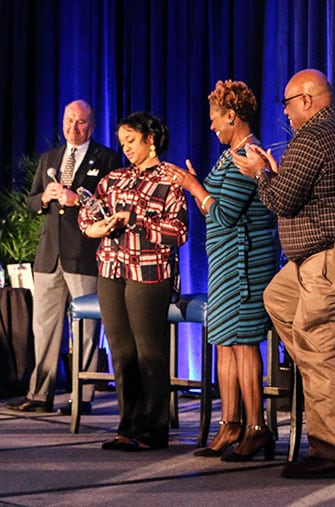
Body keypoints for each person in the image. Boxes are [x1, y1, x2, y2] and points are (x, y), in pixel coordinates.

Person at [233, 69, 335, 479]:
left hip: (334, 257)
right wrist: (276, 172)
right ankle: (322, 372)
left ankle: (332, 452)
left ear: (306, 99)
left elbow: (280, 200)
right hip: (325, 255)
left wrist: (260, 173)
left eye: (287, 103)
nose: (284, 113)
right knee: (278, 299)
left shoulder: (314, 137)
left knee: (319, 349)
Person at [165, 80, 278, 462]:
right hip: (225, 261)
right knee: (225, 340)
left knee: (244, 342)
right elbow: (212, 209)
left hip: (246, 261)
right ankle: (230, 424)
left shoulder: (249, 154)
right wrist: (197, 189)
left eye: (216, 119)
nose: (211, 127)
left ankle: (256, 427)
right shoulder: (227, 155)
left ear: (232, 116)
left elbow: (225, 214)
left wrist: (195, 186)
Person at [78, 111, 188, 451]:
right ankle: (127, 425)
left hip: (149, 272)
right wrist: (95, 226)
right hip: (111, 269)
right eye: (122, 142)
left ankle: (152, 430)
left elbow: (178, 232)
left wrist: (136, 220)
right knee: (122, 353)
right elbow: (88, 215)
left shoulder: (171, 179)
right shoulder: (115, 179)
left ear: (150, 139)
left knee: (148, 353)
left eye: (131, 140)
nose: (125, 148)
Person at [6, 100, 121, 415]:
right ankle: (39, 394)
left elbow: (112, 206)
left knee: (85, 329)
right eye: (69, 120)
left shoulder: (107, 159)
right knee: (43, 327)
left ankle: (81, 397)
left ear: (92, 126)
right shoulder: (50, 158)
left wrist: (79, 200)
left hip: (83, 254)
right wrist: (44, 197)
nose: (74, 127)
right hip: (48, 256)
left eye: (81, 122)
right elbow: (31, 201)